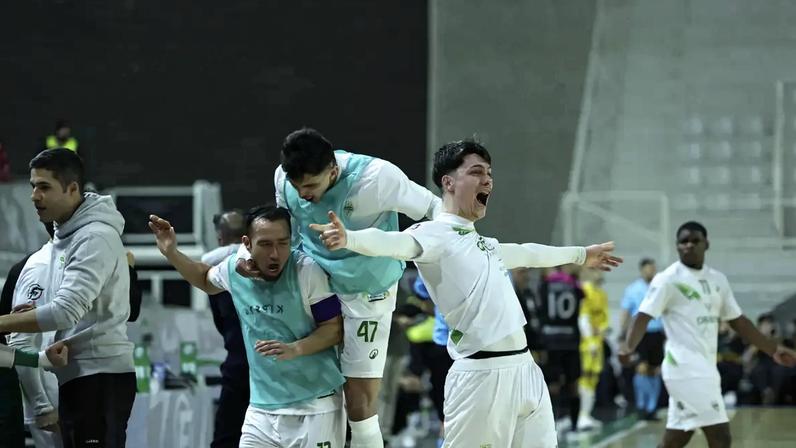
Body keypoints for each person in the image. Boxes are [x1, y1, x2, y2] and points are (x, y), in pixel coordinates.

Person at [310, 139, 622, 447]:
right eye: (476, 172)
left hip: (526, 370)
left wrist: (582, 254)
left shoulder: (484, 244)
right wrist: (349, 238)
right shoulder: (432, 233)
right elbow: (391, 243)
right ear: (448, 182)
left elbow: (529, 253)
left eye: (489, 173)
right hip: (480, 377)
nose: (487, 179)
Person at [237, 128, 442, 448]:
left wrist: (431, 263)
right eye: (297, 186)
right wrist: (246, 255)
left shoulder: (376, 178)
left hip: (367, 293)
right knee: (304, 377)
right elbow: (279, 225)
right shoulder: (283, 179)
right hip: (314, 287)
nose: (304, 194)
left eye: (311, 186)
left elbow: (435, 209)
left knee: (359, 403)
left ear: (333, 170)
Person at [149, 205, 346, 447]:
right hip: (261, 410)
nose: (275, 253)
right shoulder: (234, 270)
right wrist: (171, 252)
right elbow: (204, 278)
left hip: (315, 406)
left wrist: (295, 349)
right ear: (247, 243)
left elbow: (334, 328)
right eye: (265, 244)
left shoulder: (307, 271)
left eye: (283, 243)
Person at [0, 148, 135, 448]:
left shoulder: (93, 237)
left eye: (44, 187)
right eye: (33, 186)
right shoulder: (65, 238)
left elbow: (64, 313)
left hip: (98, 377)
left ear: (73, 189)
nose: (35, 196)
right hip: (75, 377)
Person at [620, 221, 796, 448]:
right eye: (683, 241)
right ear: (677, 246)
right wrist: (628, 347)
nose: (689, 245)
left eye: (695, 241)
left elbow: (739, 322)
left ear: (707, 244)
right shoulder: (668, 279)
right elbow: (642, 316)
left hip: (706, 369)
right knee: (720, 437)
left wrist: (773, 349)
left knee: (677, 437)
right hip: (683, 369)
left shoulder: (717, 280)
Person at [6, 222, 63, 448]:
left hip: (74, 390)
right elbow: (19, 339)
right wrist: (42, 406)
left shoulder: (78, 262)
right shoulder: (40, 266)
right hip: (52, 398)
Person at [202, 210, 250, 448]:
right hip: (275, 365)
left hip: (237, 365)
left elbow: (220, 322)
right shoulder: (270, 263)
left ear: (220, 237)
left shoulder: (213, 269)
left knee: (226, 437)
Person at [537, 265, 585, 432]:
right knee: (573, 384)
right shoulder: (574, 285)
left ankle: (551, 426)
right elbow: (582, 300)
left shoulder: (545, 285)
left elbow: (540, 310)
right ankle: (574, 425)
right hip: (571, 340)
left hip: (551, 341)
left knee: (552, 385)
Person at [620, 257, 664, 419]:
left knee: (655, 370)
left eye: (653, 269)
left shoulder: (659, 289)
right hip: (639, 333)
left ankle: (652, 407)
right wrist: (623, 333)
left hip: (657, 332)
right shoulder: (633, 289)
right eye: (648, 269)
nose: (651, 271)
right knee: (641, 368)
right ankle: (641, 405)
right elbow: (625, 311)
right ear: (642, 270)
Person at [577, 269, 609, 430]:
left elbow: (604, 319)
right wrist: (590, 341)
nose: (599, 272)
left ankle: (586, 415)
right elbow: (583, 319)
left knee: (593, 378)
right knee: (585, 377)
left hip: (598, 343)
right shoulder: (585, 291)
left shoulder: (602, 294)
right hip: (587, 344)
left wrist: (602, 330)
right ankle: (580, 415)